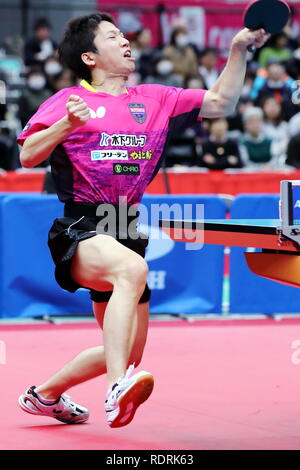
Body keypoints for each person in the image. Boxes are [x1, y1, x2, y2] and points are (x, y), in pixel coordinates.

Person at [16, 13, 268, 428]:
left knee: (130, 350)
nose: (126, 42)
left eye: (124, 35)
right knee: (131, 270)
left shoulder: (157, 98)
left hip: (126, 226)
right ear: (90, 57)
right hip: (82, 226)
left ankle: (45, 395)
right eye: (113, 38)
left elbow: (222, 102)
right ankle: (117, 388)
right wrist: (66, 125)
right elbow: (28, 156)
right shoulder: (66, 101)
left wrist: (238, 50)